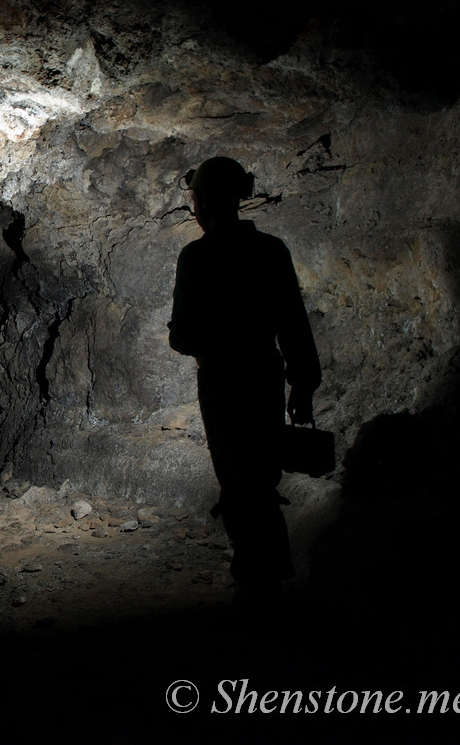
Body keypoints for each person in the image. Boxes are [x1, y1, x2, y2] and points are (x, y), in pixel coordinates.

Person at [167, 156, 321, 606]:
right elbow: (294, 324)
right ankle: (266, 576)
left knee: (238, 480)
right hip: (263, 376)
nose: (194, 206)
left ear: (207, 200)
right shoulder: (271, 252)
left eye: (195, 197)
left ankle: (256, 581)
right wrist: (303, 386)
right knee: (260, 476)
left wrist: (201, 336)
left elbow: (182, 337)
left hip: (222, 381)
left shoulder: (197, 257)